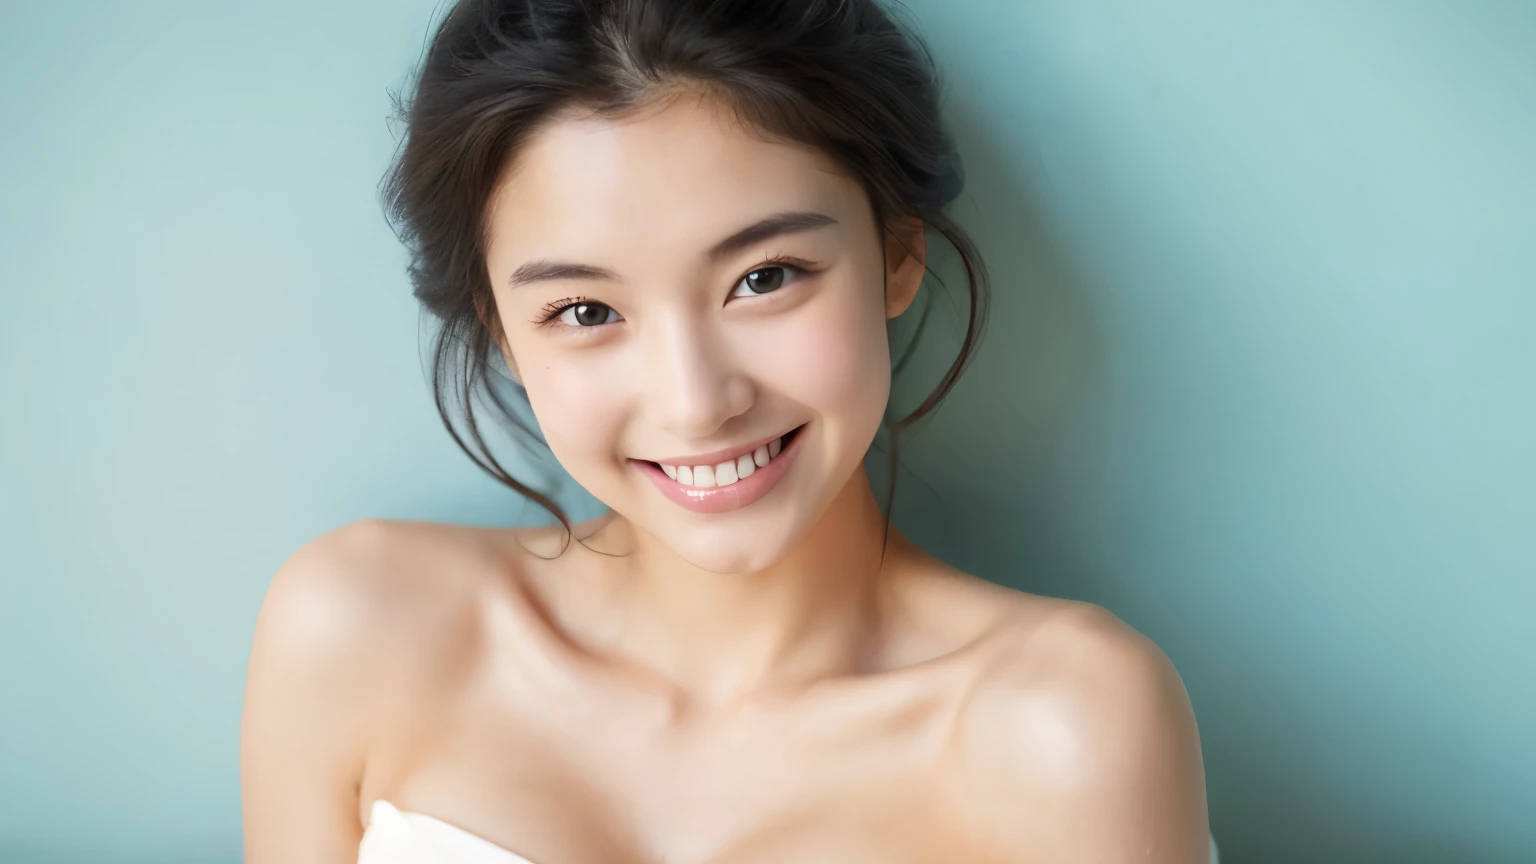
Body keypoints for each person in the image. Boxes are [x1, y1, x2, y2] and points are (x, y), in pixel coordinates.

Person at [240, 0, 1214, 861]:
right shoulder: (359, 631)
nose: (696, 401)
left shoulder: (1064, 730)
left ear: (897, 251)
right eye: (585, 312)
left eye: (765, 278)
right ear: (500, 331)